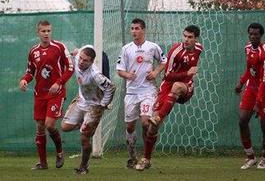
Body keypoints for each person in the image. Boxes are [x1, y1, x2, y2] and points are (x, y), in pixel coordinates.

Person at [135, 25, 203, 171]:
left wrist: (189, 76)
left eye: (190, 37)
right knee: (151, 127)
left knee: (177, 86)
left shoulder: (199, 49)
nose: (186, 39)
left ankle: (159, 116)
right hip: (168, 86)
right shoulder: (175, 51)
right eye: (184, 36)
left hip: (185, 87)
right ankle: (146, 159)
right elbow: (167, 76)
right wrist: (188, 73)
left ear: (196, 39)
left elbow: (189, 70)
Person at [19, 20, 74, 170]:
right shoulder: (33, 51)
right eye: (43, 31)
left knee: (50, 125)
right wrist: (24, 80)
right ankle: (43, 163)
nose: (46, 34)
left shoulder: (59, 47)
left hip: (56, 93)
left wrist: (59, 83)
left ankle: (60, 151)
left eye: (48, 31)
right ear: (38, 33)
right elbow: (30, 72)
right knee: (40, 127)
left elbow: (70, 68)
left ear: (51, 31)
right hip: (40, 94)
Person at [116, 18, 167, 168]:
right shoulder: (126, 49)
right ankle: (132, 157)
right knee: (130, 127)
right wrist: (128, 75)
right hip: (131, 93)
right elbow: (119, 70)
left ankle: (146, 157)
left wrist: (156, 71)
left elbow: (164, 61)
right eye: (132, 28)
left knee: (146, 123)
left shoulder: (152, 47)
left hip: (148, 91)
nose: (134, 31)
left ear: (143, 30)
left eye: (137, 28)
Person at [61, 46, 116, 175]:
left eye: (85, 60)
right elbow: (82, 50)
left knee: (84, 138)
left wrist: (103, 104)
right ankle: (85, 125)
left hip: (94, 106)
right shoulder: (77, 58)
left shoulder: (95, 75)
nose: (81, 62)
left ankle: (83, 167)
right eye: (80, 58)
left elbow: (111, 88)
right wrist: (76, 51)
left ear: (91, 62)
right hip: (82, 100)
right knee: (65, 127)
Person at [234, 23, 265, 170]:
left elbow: (264, 81)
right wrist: (241, 82)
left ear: (261, 35)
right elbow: (249, 69)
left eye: (256, 34)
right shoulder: (247, 48)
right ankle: (250, 156)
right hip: (252, 87)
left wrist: (258, 103)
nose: (253, 37)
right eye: (251, 34)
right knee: (242, 121)